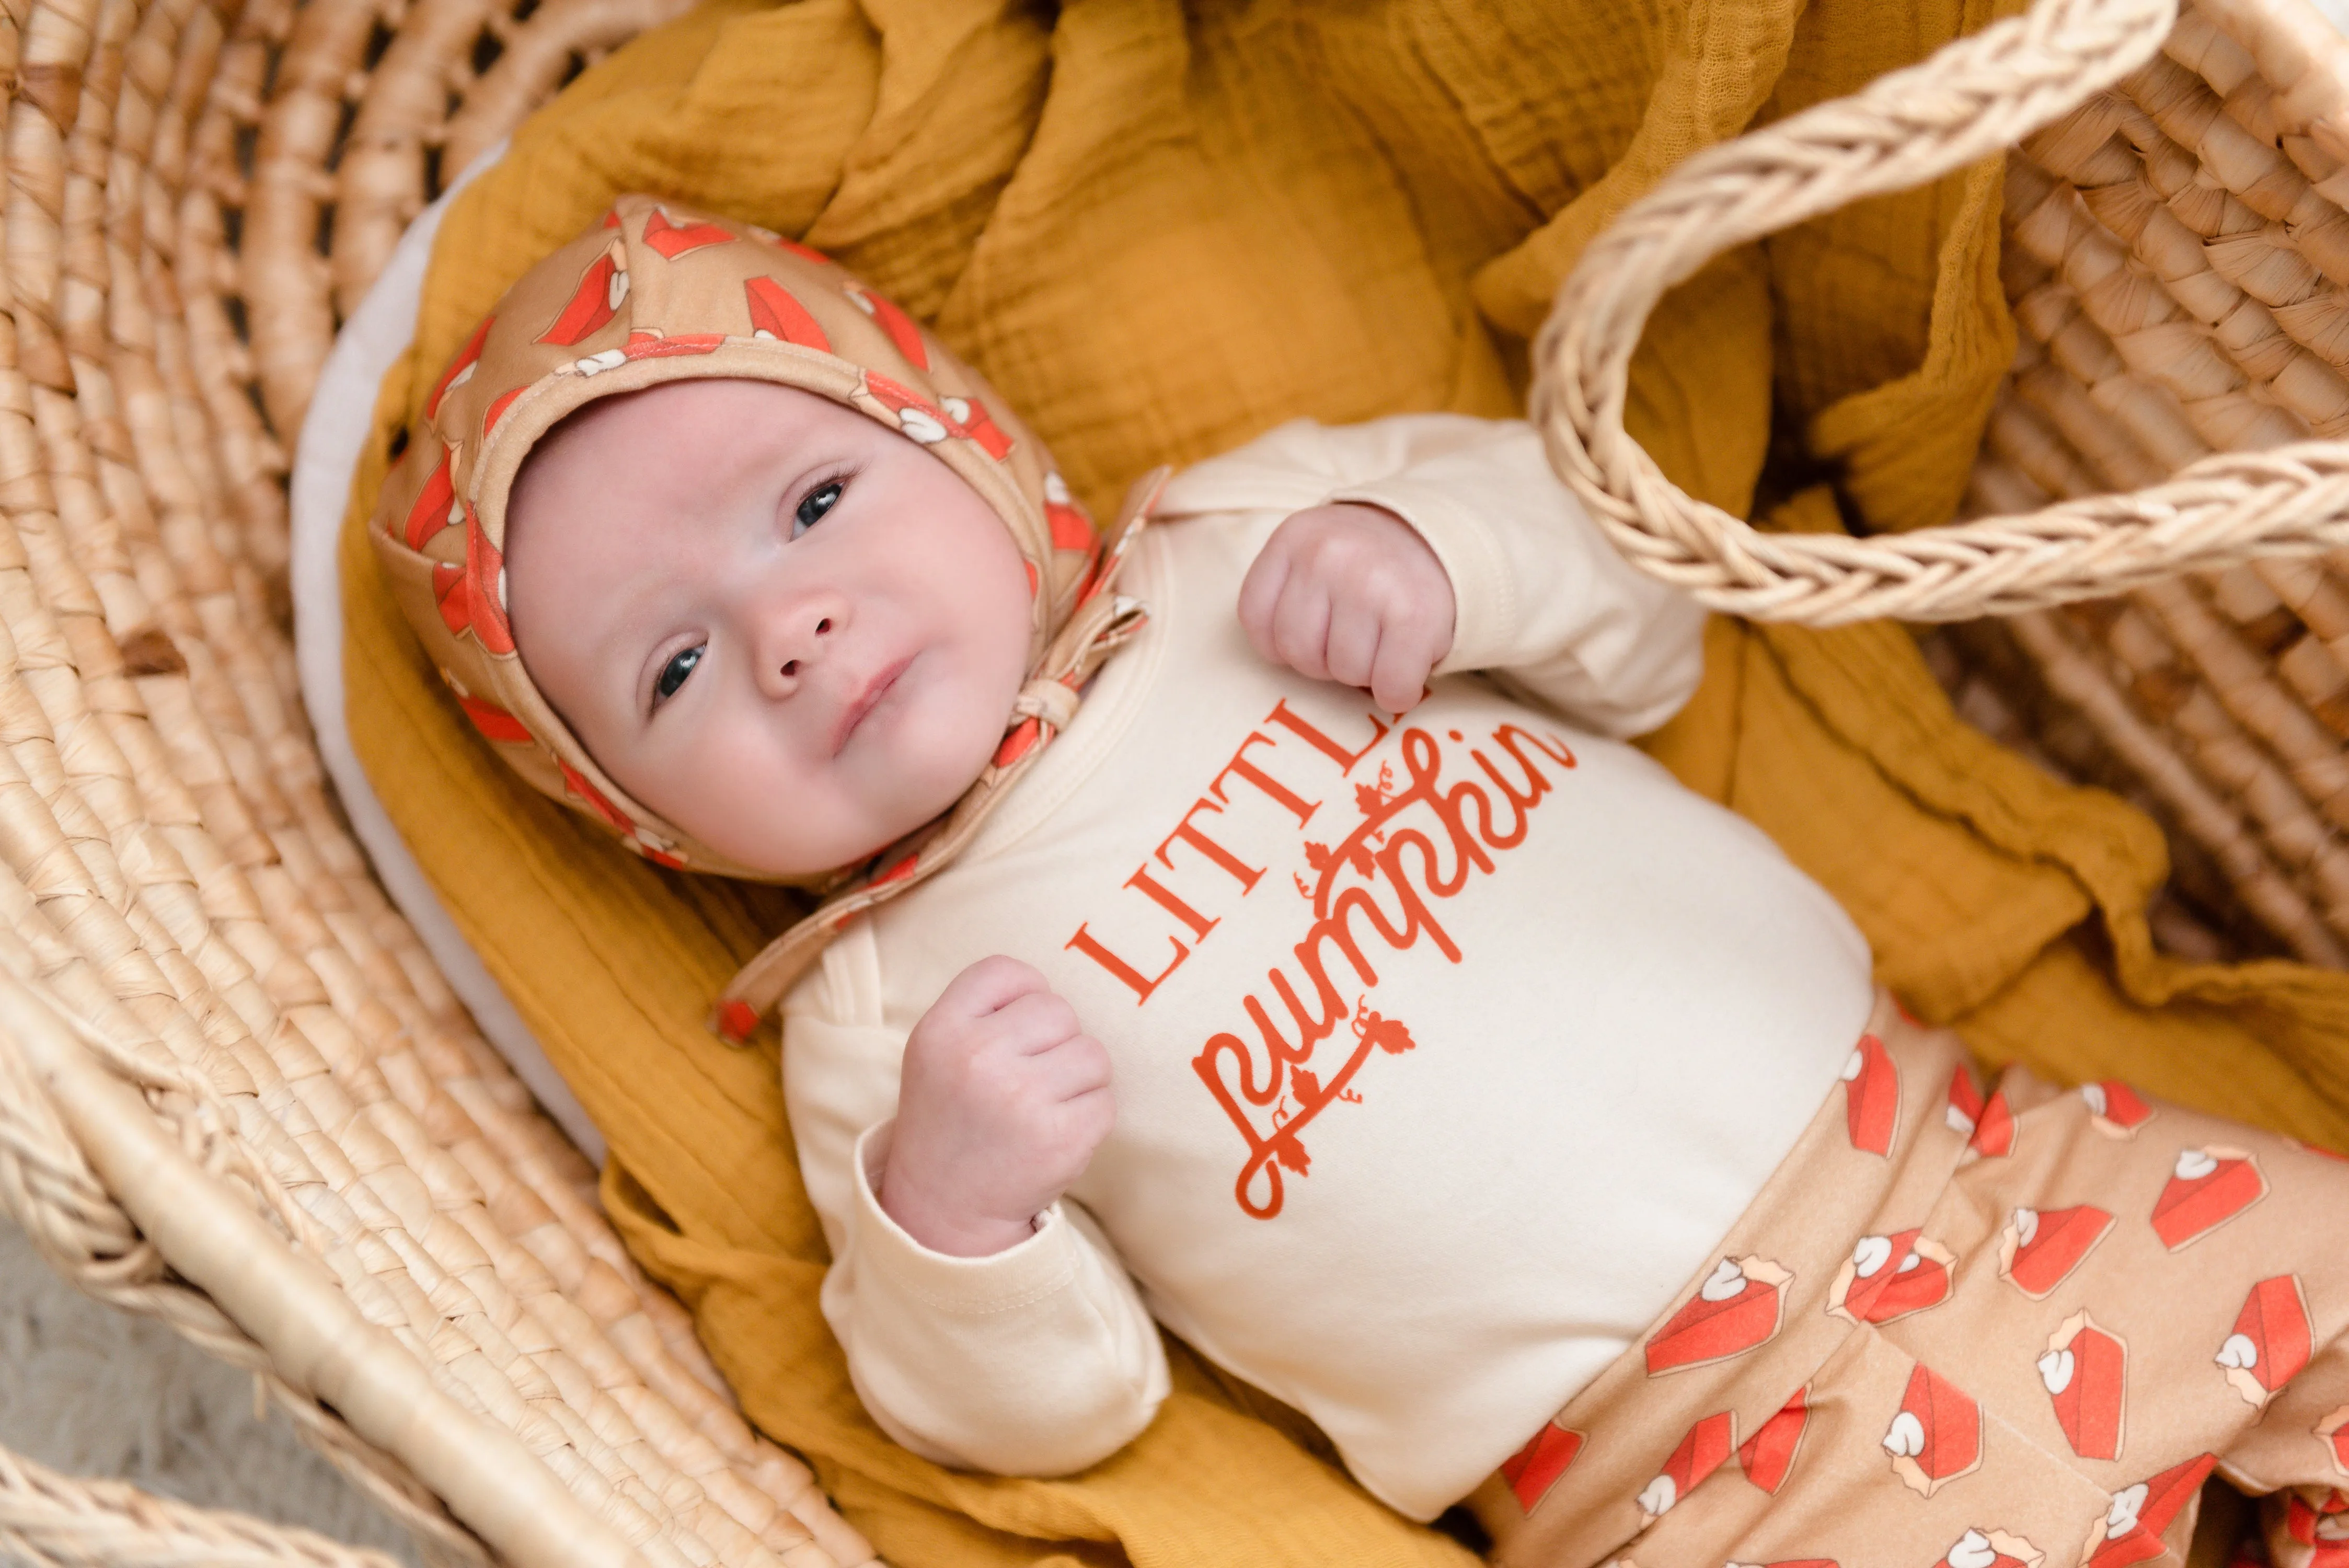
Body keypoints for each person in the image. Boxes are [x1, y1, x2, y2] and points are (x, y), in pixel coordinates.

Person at [371, 194, 2349, 1568]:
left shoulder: (1252, 536)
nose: (790, 625)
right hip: (1697, 1484)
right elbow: (1050, 1415)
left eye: (812, 504)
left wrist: (1446, 565)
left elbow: (1651, 636)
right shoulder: (879, 1018)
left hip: (2001, 1179)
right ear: (639, 820)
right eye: (675, 669)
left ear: (968, 445)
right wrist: (957, 1218)